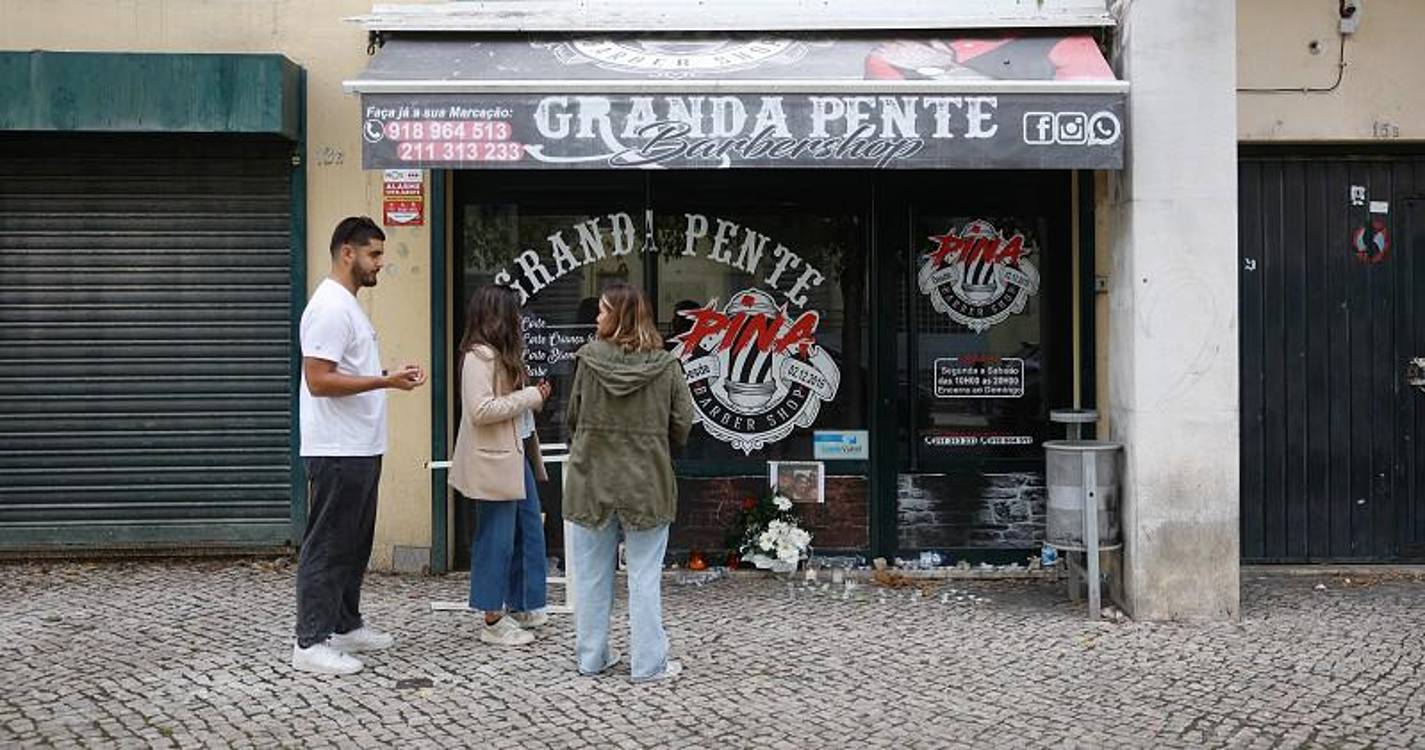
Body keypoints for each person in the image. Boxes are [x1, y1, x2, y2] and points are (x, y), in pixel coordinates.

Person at [293, 216, 427, 675]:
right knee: (328, 545)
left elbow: (345, 370)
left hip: (359, 446)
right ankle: (310, 642)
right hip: (336, 448)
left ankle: (346, 624)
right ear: (347, 252)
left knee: (353, 543)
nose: (380, 264)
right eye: (374, 255)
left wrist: (386, 374)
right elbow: (319, 380)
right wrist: (385, 380)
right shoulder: (329, 306)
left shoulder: (348, 306)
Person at [564, 282, 694, 683]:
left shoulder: (587, 362)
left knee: (590, 577)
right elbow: (683, 423)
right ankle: (648, 664)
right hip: (647, 481)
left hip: (591, 478)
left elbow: (572, 415)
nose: (597, 317)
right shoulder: (667, 365)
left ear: (618, 317)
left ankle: (591, 658)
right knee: (644, 577)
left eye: (603, 311)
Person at [449, 284, 553, 647]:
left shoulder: (501, 354)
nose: (520, 319)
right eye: (515, 312)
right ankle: (492, 617)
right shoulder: (479, 357)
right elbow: (480, 410)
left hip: (514, 453)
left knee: (528, 529)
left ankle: (523, 604)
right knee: (496, 538)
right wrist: (530, 397)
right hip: (493, 461)